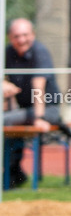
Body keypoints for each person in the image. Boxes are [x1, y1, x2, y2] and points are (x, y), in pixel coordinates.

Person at [4, 19, 66, 186]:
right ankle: (13, 173)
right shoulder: (8, 53)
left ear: (33, 35)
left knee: (4, 121)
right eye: (17, 36)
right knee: (9, 129)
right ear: (10, 37)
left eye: (25, 35)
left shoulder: (40, 52)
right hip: (24, 111)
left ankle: (12, 174)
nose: (21, 40)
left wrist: (40, 117)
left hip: (47, 110)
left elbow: (38, 86)